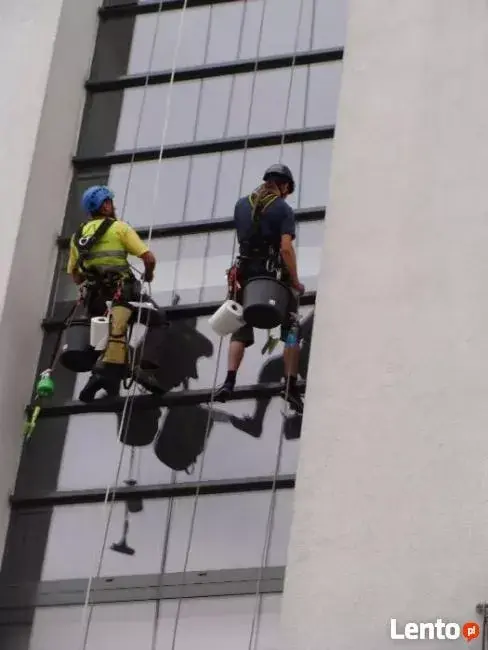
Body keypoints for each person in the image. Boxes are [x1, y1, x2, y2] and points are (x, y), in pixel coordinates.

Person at [213, 164, 305, 413]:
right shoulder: (283, 209)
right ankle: (290, 386)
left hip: (244, 277)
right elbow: (285, 249)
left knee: (239, 328)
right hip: (272, 277)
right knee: (291, 329)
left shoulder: (241, 205)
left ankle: (229, 382)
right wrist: (295, 280)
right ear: (284, 186)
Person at [67, 185, 157, 401]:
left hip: (95, 299)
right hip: (121, 293)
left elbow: (76, 276)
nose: (113, 206)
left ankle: (101, 376)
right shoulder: (119, 228)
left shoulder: (77, 236)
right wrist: (148, 275)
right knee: (158, 319)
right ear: (105, 206)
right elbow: (148, 258)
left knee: (104, 334)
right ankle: (141, 364)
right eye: (110, 202)